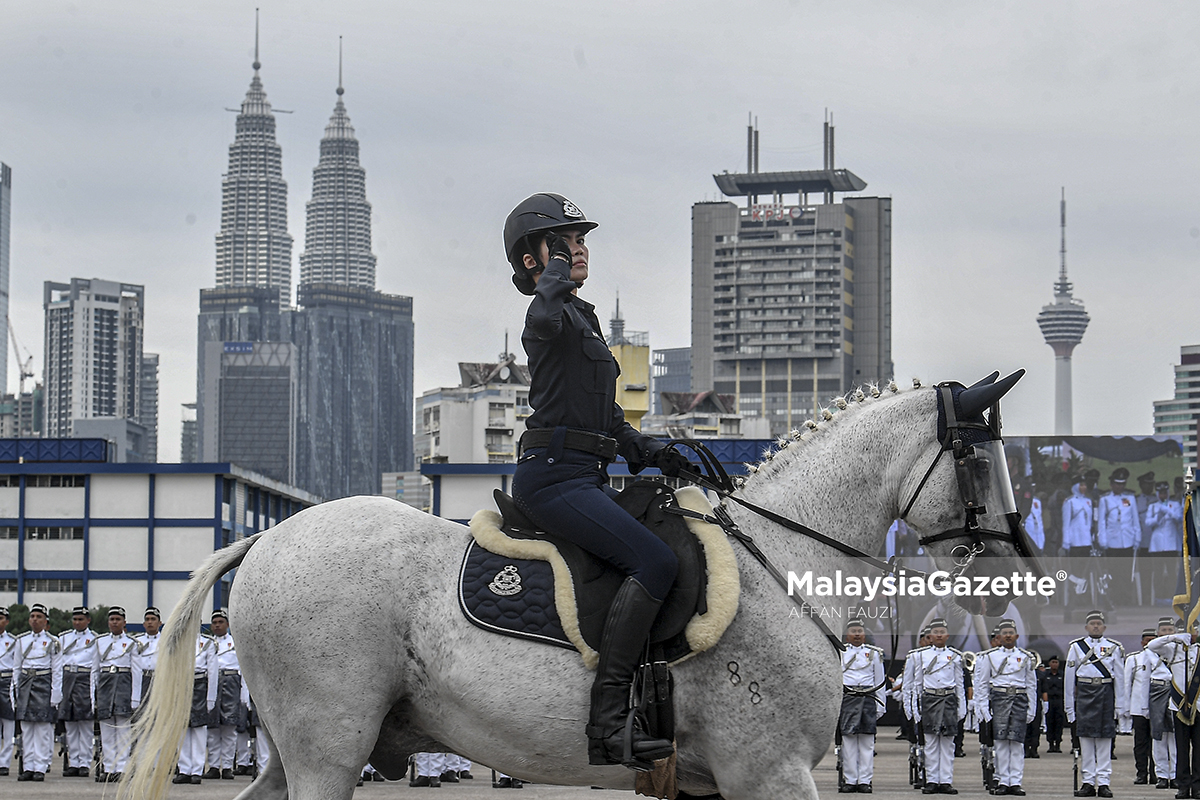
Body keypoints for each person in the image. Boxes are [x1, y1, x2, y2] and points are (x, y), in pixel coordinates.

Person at [504, 192, 687, 770]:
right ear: (533, 259)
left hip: (588, 471)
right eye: (563, 241)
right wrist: (552, 277)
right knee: (655, 563)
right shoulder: (549, 312)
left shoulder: (583, 317)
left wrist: (652, 449)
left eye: (581, 241)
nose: (579, 249)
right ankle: (607, 724)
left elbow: (605, 417)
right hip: (554, 480)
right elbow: (539, 323)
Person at [1065, 610, 1126, 798]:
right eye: (1092, 624)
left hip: (1106, 692)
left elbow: (1120, 680)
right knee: (1086, 741)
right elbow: (1068, 680)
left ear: (1105, 627)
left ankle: (1104, 783)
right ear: (1086, 627)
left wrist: (1120, 707)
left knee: (1105, 740)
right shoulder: (1076, 647)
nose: (1096, 626)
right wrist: (1069, 707)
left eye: (1099, 623)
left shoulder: (1114, 647)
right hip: (1084, 693)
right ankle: (1088, 782)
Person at [975, 619, 1037, 796]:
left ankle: (1015, 782)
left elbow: (1031, 685)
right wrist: (983, 708)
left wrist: (1032, 707)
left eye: (1011, 633)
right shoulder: (990, 656)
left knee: (1017, 743)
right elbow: (982, 684)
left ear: (1016, 636)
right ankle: (1002, 780)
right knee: (1001, 743)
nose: (1008, 636)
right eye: (1005, 633)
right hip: (999, 698)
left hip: (1019, 698)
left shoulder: (1026, 657)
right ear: (999, 636)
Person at [911, 618, 966, 794]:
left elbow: (959, 684)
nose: (939, 635)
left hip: (949, 699)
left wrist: (962, 706)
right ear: (930, 635)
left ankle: (946, 781)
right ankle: (932, 780)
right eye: (935, 632)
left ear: (947, 635)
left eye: (942, 631)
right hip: (930, 699)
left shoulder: (956, 656)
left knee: (948, 744)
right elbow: (918, 683)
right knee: (931, 743)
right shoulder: (921, 655)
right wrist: (915, 706)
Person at [1147, 620, 1197, 799]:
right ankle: (1183, 785)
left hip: (1199, 706)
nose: (1192, 633)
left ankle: (1197, 786)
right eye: (1188, 630)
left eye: (1194, 629)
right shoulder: (1174, 649)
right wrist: (1174, 637)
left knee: (1198, 749)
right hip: (1178, 706)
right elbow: (1152, 645)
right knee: (1181, 748)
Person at [13, 603, 62, 781]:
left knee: (42, 729)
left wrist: (56, 693)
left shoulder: (53, 641)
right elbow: (16, 668)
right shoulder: (21, 640)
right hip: (26, 682)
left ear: (45, 621)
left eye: (38, 617)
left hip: (43, 682)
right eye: (32, 616)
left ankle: (40, 767)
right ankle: (28, 766)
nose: (35, 619)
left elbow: (57, 669)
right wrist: (15, 691)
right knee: (27, 728)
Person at [838, 618, 885, 793]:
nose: (857, 634)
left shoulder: (874, 654)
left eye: (860, 631)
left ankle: (865, 780)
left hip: (867, 698)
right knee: (848, 741)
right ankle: (850, 780)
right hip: (849, 698)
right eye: (853, 631)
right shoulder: (840, 653)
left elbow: (880, 681)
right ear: (847, 635)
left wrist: (881, 704)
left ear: (864, 634)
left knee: (867, 742)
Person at [92, 606, 137, 781]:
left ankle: (122, 768)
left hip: (124, 683)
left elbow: (137, 672)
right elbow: (94, 671)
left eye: (118, 619)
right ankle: (109, 767)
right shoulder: (99, 642)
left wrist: (135, 697)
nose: (115, 622)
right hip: (105, 686)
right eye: (112, 619)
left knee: (123, 730)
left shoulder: (132, 643)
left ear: (124, 622)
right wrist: (93, 694)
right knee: (107, 729)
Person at [206, 608, 248, 780]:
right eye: (214, 623)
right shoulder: (206, 644)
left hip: (231, 684)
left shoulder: (235, 643)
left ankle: (228, 766)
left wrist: (244, 693)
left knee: (230, 729)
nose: (217, 625)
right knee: (212, 730)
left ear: (227, 625)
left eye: (220, 622)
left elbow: (243, 669)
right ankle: (214, 766)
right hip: (212, 685)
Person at [174, 628, 218, 785]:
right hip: (182, 684)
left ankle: (197, 770)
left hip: (200, 684)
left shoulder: (207, 643)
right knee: (182, 730)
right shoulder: (179, 641)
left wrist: (211, 697)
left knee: (199, 730)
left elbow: (213, 672)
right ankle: (184, 769)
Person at [57, 605, 96, 777]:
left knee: (85, 725)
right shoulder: (63, 638)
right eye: (75, 619)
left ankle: (85, 763)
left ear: (88, 620)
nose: (78, 622)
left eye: (81, 619)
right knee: (70, 725)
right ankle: (73, 762)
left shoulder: (95, 639)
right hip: (67, 679)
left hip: (84, 679)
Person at [1142, 617, 1178, 790]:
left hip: (1176, 691)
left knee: (1176, 735)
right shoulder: (1149, 651)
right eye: (1164, 631)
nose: (1167, 634)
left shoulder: (1181, 651)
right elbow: (1144, 681)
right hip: (1157, 690)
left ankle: (1175, 774)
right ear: (1158, 633)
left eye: (1170, 630)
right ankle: (1162, 774)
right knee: (1159, 736)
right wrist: (1143, 706)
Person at [1097, 468, 1141, 606]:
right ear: (1111, 484)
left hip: (1127, 539)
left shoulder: (1130, 498)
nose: (1120, 486)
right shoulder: (1105, 499)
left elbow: (1135, 519)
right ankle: (1114, 597)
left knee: (1126, 570)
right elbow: (1102, 521)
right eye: (1117, 483)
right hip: (1112, 540)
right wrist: (1102, 539)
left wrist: (1137, 537)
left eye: (1122, 484)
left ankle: (1126, 597)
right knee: (1113, 571)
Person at [1122, 628, 1157, 786]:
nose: (1149, 643)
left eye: (1152, 640)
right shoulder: (1134, 659)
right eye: (1147, 640)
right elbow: (1126, 685)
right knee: (1140, 744)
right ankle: (1141, 773)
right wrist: (1126, 708)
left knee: (1157, 744)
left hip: (1157, 708)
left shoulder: (1162, 658)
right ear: (1142, 642)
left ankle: (1156, 773)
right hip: (1137, 707)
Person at [1145, 482, 1184, 603]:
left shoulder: (1175, 504)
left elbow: (1179, 518)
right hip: (1157, 544)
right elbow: (1148, 522)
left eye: (1165, 492)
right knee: (1158, 572)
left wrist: (1169, 511)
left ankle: (1172, 595)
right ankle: (1159, 596)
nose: (1163, 495)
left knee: (1172, 572)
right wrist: (1158, 517)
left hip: (1171, 542)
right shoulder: (1153, 506)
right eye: (1161, 493)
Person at [131, 606, 162, 712]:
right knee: (141, 713)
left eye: (153, 619)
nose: (150, 622)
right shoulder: (136, 641)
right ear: (144, 624)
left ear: (159, 623)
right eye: (147, 619)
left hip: (159, 680)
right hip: (142, 679)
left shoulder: (166, 640)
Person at [0, 607, 15, 777]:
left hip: (6, 681)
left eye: (1, 617)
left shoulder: (13, 641)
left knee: (8, 725)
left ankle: (4, 763)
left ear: (7, 621)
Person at [1044, 655, 1066, 753]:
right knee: (1050, 722)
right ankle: (1050, 744)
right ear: (1049, 664)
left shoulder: (1062, 675)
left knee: (1059, 723)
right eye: (1053, 662)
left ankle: (1057, 744)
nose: (1054, 664)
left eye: (1056, 662)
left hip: (1059, 701)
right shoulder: (1045, 675)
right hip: (1050, 701)